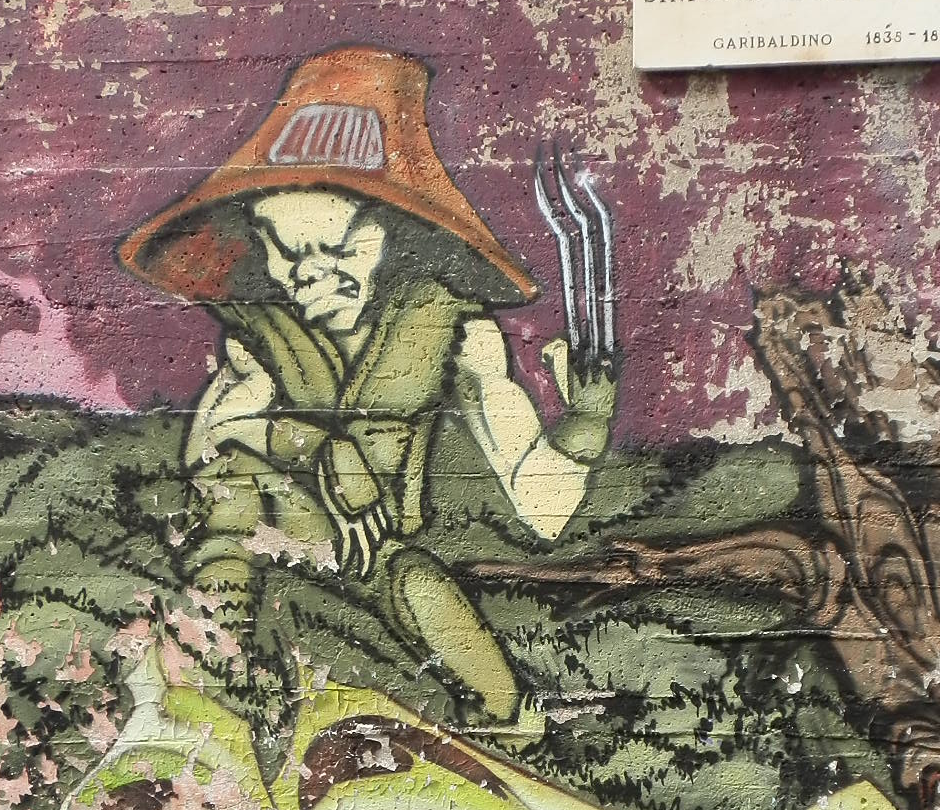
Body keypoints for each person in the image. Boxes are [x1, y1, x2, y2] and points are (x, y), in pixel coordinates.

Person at [119, 48, 618, 729]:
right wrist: (319, 447)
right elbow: (211, 446)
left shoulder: (453, 333)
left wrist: (585, 427)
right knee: (234, 491)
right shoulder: (263, 338)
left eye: (337, 248)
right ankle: (214, 675)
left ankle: (509, 723)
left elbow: (543, 506)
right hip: (281, 527)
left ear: (395, 235)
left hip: (377, 555)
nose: (309, 276)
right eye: (284, 250)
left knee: (418, 583)